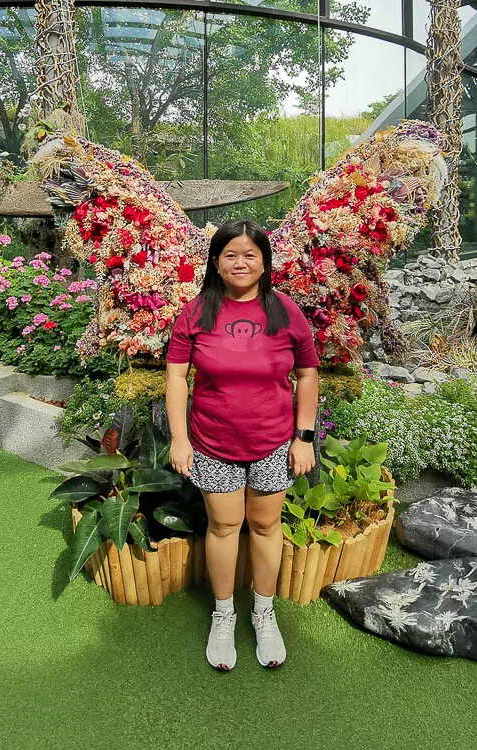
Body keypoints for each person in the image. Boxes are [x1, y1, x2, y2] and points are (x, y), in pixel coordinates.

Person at [165, 219, 320, 671]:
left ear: (265, 262)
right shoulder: (196, 313)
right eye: (231, 254)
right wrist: (179, 439)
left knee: (267, 527)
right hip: (212, 443)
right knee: (223, 527)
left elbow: (308, 374)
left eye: (251, 254)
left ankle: (264, 613)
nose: (241, 262)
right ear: (216, 261)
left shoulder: (286, 311)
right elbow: (176, 376)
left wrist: (304, 436)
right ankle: (223, 614)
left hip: (273, 442)